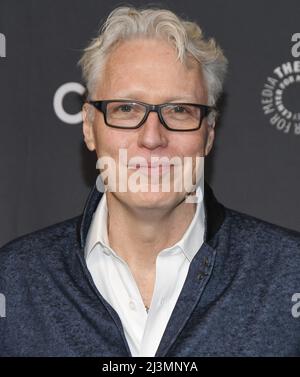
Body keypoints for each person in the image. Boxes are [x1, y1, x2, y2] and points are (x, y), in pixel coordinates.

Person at [0, 6, 299, 357]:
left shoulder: (289, 275)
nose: (152, 137)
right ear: (88, 126)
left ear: (209, 133)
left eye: (179, 110)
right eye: (126, 108)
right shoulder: (14, 282)